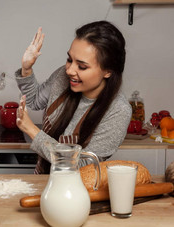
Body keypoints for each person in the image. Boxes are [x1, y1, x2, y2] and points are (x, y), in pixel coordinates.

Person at [15, 21, 132, 174]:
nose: (70, 70)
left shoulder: (118, 111)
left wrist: (32, 130)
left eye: (82, 66)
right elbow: (35, 101)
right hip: (43, 181)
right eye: (70, 59)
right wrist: (26, 68)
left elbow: (83, 165)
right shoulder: (62, 76)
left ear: (108, 71)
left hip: (79, 192)